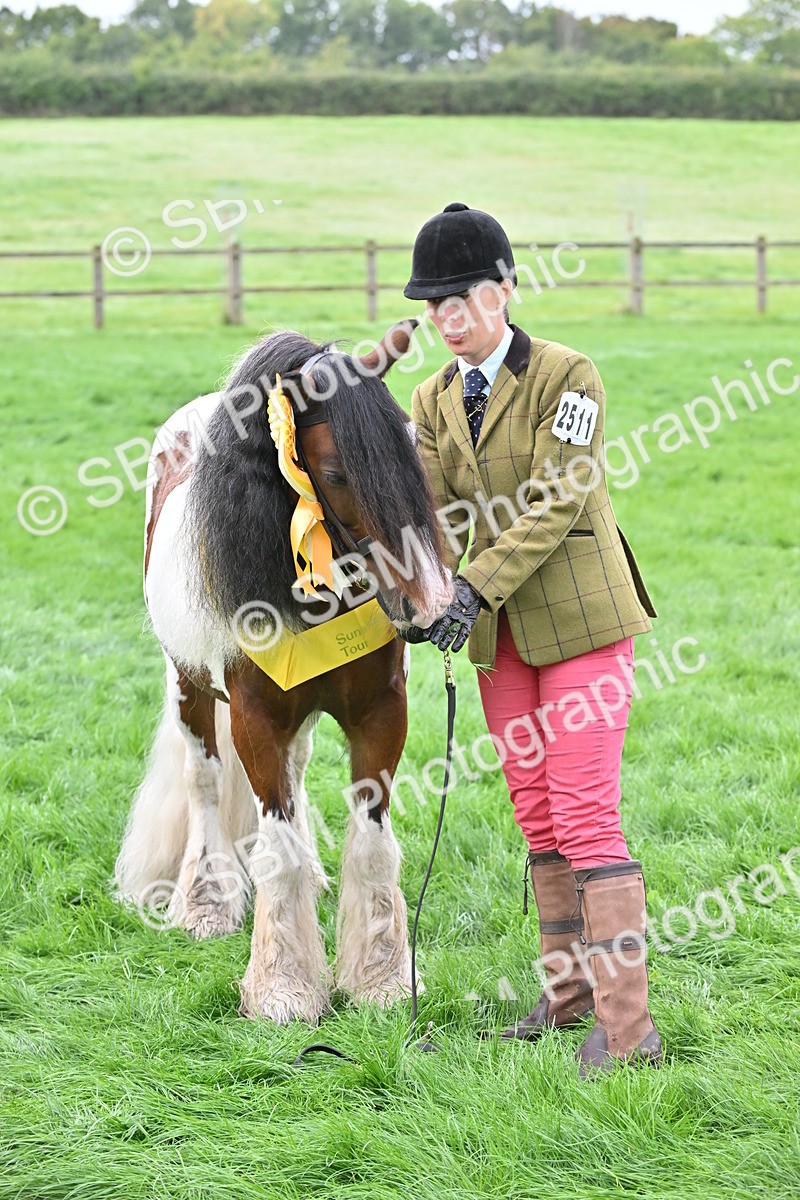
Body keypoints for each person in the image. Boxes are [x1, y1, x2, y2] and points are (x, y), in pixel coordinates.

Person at [401, 202, 662, 1076]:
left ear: (506, 287)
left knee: (587, 813)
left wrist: (471, 585)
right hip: (501, 637)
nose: (447, 319)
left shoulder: (567, 375)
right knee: (538, 813)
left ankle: (629, 1036)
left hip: (582, 620)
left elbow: (557, 499)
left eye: (462, 298)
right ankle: (568, 1002)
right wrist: (414, 584)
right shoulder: (431, 397)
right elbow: (433, 513)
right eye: (432, 305)